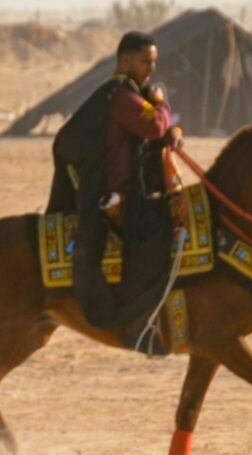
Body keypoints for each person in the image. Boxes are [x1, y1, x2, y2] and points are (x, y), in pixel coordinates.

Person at [47, 30, 183, 342]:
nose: (151, 69)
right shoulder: (121, 96)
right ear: (125, 60)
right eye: (145, 62)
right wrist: (161, 104)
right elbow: (152, 125)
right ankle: (136, 315)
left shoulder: (128, 94)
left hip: (125, 189)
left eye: (153, 62)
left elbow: (156, 126)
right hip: (113, 196)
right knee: (157, 233)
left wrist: (171, 127)